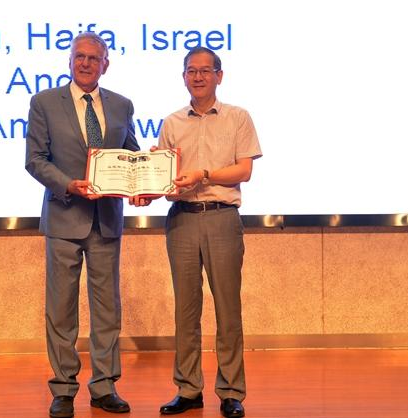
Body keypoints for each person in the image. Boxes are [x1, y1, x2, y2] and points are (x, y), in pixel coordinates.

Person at [25, 32, 145, 418]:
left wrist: (144, 180)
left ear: (105, 64)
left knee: (107, 309)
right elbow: (35, 159)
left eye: (94, 58)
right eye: (80, 56)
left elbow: (130, 154)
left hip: (106, 220)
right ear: (70, 61)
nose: (86, 63)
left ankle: (104, 386)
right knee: (61, 310)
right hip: (64, 216)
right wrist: (68, 185)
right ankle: (63, 389)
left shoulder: (122, 105)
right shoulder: (44, 102)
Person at [157, 47, 262, 418]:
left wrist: (203, 175)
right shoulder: (171, 123)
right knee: (185, 311)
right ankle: (188, 390)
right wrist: (151, 183)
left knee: (228, 310)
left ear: (219, 75)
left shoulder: (238, 117)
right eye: (191, 70)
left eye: (205, 70)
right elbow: (166, 180)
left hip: (221, 218)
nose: (198, 77)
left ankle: (231, 391)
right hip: (182, 219)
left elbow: (244, 170)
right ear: (183, 76)